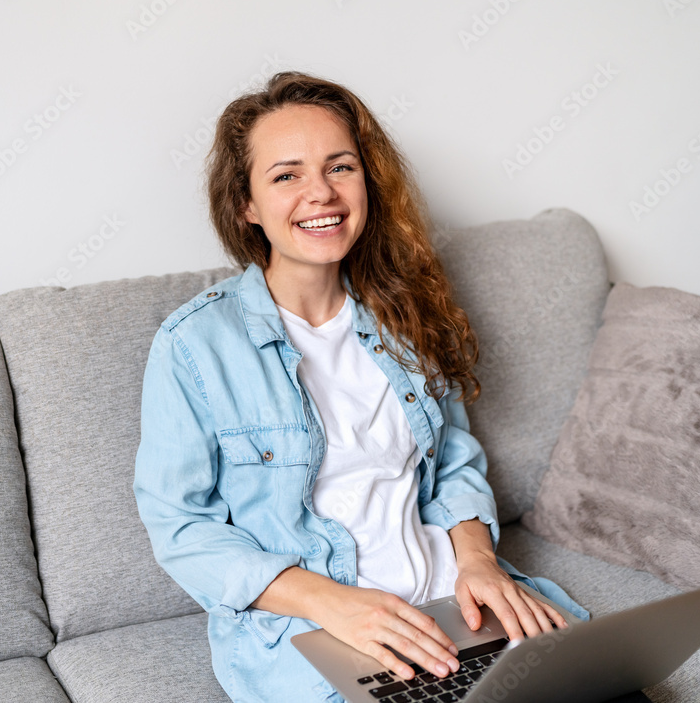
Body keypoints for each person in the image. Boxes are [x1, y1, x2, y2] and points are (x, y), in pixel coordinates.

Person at [133, 71, 586, 702]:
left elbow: (451, 459)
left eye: (340, 167)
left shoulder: (404, 310)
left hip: (454, 602)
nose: (321, 193)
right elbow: (182, 528)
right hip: (321, 629)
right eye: (286, 175)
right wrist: (336, 605)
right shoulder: (195, 346)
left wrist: (479, 563)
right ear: (246, 205)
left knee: (600, 679)